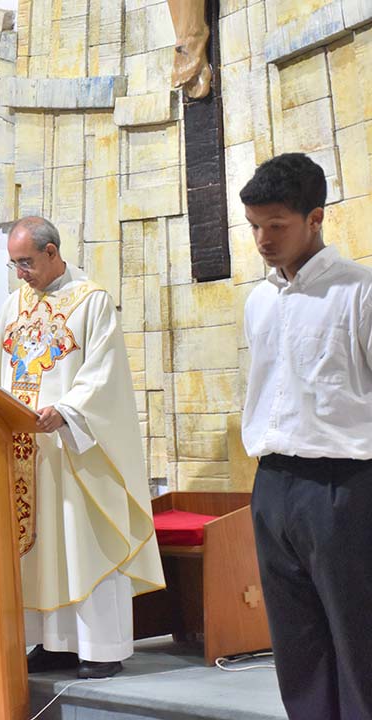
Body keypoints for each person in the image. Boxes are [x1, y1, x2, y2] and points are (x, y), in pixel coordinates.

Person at [0, 216, 164, 679]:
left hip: (72, 452)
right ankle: (53, 643)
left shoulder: (91, 302)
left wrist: (68, 411)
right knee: (40, 551)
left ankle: (100, 648)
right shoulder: (14, 305)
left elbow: (104, 375)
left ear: (52, 252)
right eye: (14, 264)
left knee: (81, 541)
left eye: (27, 262)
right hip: (22, 453)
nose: (20, 274)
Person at [240, 153, 372, 719]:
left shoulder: (358, 292)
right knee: (296, 645)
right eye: (254, 227)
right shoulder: (260, 299)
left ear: (315, 218)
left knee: (358, 639)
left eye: (276, 225)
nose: (263, 240)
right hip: (273, 483)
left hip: (341, 485)